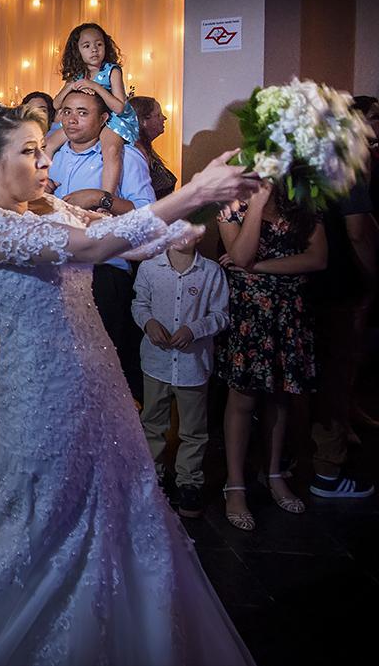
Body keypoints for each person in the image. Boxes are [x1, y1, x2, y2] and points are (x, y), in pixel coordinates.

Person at [0, 101, 259, 666]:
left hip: (101, 388)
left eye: (43, 149)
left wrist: (217, 203)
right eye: (30, 152)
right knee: (42, 532)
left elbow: (131, 238)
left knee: (120, 513)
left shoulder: (46, 205)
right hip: (42, 398)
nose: (45, 162)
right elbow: (98, 249)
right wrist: (196, 190)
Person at [218, 185, 327, 530]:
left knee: (280, 397)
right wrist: (257, 204)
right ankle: (234, 485)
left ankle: (273, 473)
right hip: (251, 314)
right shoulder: (231, 203)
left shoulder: (304, 201)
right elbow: (241, 256)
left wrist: (259, 267)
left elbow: (317, 258)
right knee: (243, 399)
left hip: (289, 312)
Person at [49, 89, 156, 401]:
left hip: (102, 271)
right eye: (66, 111)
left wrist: (100, 197)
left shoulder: (124, 157)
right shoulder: (51, 156)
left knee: (99, 370)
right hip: (54, 269)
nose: (71, 119)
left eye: (82, 112)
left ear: (104, 119)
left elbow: (148, 217)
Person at [131, 239, 230, 518]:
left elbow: (221, 314)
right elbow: (139, 304)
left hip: (193, 365)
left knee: (194, 429)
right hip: (156, 363)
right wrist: (148, 322)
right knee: (152, 421)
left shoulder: (211, 272)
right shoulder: (150, 268)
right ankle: (154, 475)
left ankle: (189, 481)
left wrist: (194, 329)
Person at [309, 174, 377, 497]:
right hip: (335, 283)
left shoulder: (285, 157)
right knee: (335, 376)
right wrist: (369, 286)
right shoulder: (343, 171)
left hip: (293, 282)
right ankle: (327, 471)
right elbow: (358, 233)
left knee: (291, 381)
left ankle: (280, 465)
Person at [46, 23, 139, 196]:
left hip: (113, 119)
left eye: (99, 44)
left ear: (106, 46)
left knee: (110, 150)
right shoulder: (77, 73)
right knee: (49, 143)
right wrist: (71, 86)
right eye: (87, 46)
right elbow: (56, 104)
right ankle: (42, 182)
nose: (94, 50)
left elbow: (119, 107)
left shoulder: (112, 71)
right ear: (78, 51)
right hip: (87, 118)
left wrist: (94, 86)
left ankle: (105, 197)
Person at [129, 95, 178, 199]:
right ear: (144, 120)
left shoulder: (146, 149)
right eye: (159, 115)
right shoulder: (136, 152)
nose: (164, 118)